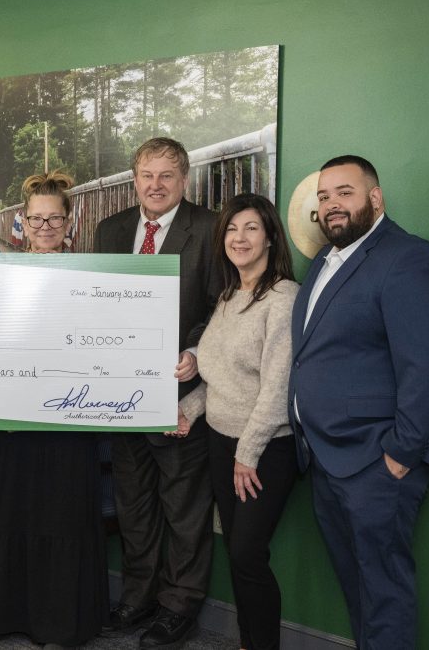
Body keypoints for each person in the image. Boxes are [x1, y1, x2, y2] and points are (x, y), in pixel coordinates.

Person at [289, 156, 429, 649]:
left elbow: (426, 365)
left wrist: (400, 456)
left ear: (375, 198)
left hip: (375, 463)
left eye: (345, 192)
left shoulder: (407, 257)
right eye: (323, 197)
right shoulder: (324, 259)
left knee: (384, 594)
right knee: (358, 590)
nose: (332, 204)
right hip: (325, 459)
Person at [0, 172, 108, 648]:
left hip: (70, 422)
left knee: (62, 518)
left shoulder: (94, 278)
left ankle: (61, 626)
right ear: (21, 223)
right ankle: (5, 617)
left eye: (54, 218)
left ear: (69, 222)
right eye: (36, 219)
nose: (45, 226)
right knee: (8, 515)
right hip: (10, 423)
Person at [94, 137, 220, 649]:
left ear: (184, 180)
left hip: (178, 398)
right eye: (147, 174)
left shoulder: (210, 230)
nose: (156, 185)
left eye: (167, 175)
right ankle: (138, 596)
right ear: (135, 178)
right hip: (121, 397)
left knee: (184, 509)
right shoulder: (111, 229)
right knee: (135, 505)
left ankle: (179, 607)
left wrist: (196, 351)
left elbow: (220, 306)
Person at [176, 194, 298, 650]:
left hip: (265, 450)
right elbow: (220, 375)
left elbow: (277, 387)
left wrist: (248, 455)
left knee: (248, 555)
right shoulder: (229, 296)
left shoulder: (283, 299)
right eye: (231, 229)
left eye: (250, 228)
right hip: (220, 442)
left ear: (269, 236)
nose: (239, 238)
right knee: (238, 555)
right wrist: (188, 411)